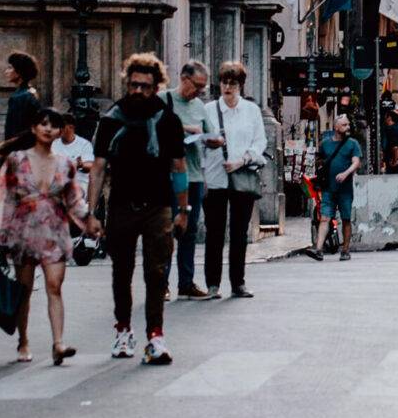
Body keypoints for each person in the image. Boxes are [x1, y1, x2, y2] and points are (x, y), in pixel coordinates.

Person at [87, 54, 190, 365]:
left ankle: (155, 336)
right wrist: (90, 213)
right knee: (122, 271)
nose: (138, 91)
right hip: (121, 204)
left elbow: (178, 166)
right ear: (126, 83)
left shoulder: (168, 120)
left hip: (158, 205)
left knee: (156, 273)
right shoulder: (111, 119)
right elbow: (98, 168)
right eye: (133, 85)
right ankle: (123, 330)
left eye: (145, 86)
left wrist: (183, 210)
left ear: (156, 86)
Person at [0, 109, 102, 365]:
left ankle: (58, 343)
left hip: (54, 230)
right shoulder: (16, 160)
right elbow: (3, 197)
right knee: (24, 290)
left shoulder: (64, 163)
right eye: (43, 124)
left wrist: (89, 221)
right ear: (34, 128)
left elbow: (74, 199)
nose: (48, 129)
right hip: (24, 230)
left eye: (54, 126)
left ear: (60, 131)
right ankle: (23, 341)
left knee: (54, 286)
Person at [201, 60, 265, 299]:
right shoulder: (208, 110)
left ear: (241, 85)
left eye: (233, 83)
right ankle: (212, 285)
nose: (227, 88)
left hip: (242, 176)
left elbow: (260, 142)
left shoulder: (251, 111)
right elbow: (200, 143)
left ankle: (238, 282)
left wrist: (242, 160)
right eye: (224, 82)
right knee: (214, 232)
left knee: (239, 233)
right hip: (214, 177)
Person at [158, 62, 208, 298]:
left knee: (189, 231)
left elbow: (209, 133)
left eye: (203, 88)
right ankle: (162, 284)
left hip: (195, 175)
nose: (199, 91)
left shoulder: (200, 106)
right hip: (167, 175)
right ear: (183, 78)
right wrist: (186, 128)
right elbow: (155, 130)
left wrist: (212, 139)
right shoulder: (162, 99)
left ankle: (186, 283)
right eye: (197, 86)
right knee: (166, 229)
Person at [306, 115, 362, 262]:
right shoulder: (325, 144)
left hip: (345, 190)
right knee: (324, 217)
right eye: (344, 125)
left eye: (348, 124)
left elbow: (356, 162)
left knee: (346, 219)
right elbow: (319, 160)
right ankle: (319, 249)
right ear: (336, 127)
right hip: (328, 188)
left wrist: (346, 173)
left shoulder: (353, 144)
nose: (348, 127)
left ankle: (345, 250)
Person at [3, 52, 43, 142]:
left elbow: (14, 130)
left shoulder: (19, 97)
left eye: (10, 68)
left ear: (19, 72)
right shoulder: (32, 92)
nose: (6, 71)